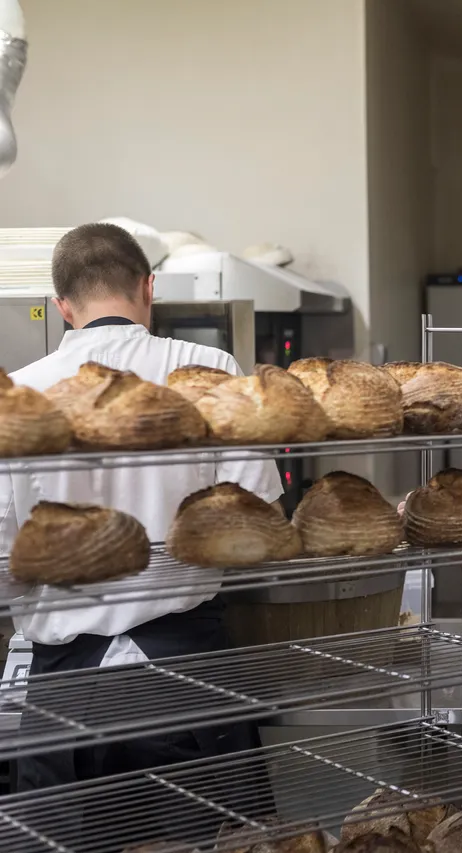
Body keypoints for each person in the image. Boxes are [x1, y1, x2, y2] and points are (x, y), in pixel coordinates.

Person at [0, 223, 283, 847]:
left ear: (63, 306)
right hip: (189, 670)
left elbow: (4, 559)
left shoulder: (18, 396)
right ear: (148, 288)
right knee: (209, 842)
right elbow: (257, 519)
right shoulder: (209, 371)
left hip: (66, 689)